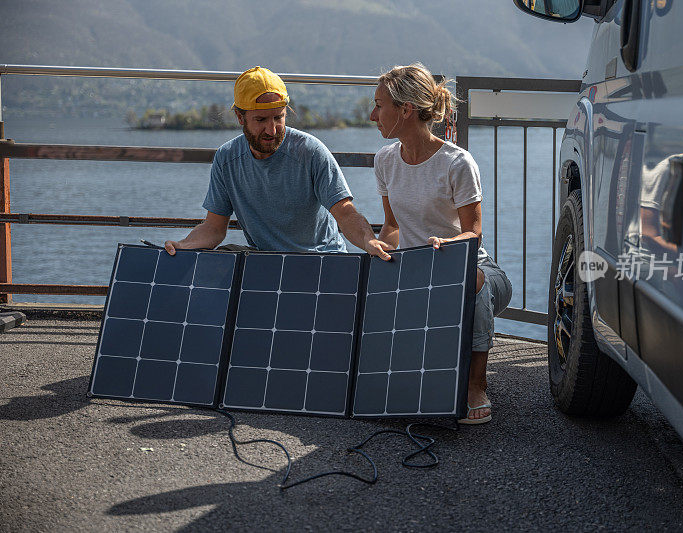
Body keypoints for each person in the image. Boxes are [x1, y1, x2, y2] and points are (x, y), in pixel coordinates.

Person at [369, 63, 512, 424]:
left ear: (405, 110)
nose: (373, 115)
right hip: (417, 270)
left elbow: (473, 233)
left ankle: (475, 386)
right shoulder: (385, 160)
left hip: (471, 270)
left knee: (473, 283)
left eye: (379, 105)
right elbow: (391, 226)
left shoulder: (457, 163)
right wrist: (381, 249)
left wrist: (447, 245)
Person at [165, 66, 392, 261]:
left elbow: (345, 212)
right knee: (220, 260)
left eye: (278, 117)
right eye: (261, 120)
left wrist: (368, 241)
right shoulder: (226, 159)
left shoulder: (311, 152)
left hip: (321, 260)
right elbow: (213, 229)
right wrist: (183, 245)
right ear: (240, 118)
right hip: (267, 263)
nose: (271, 130)